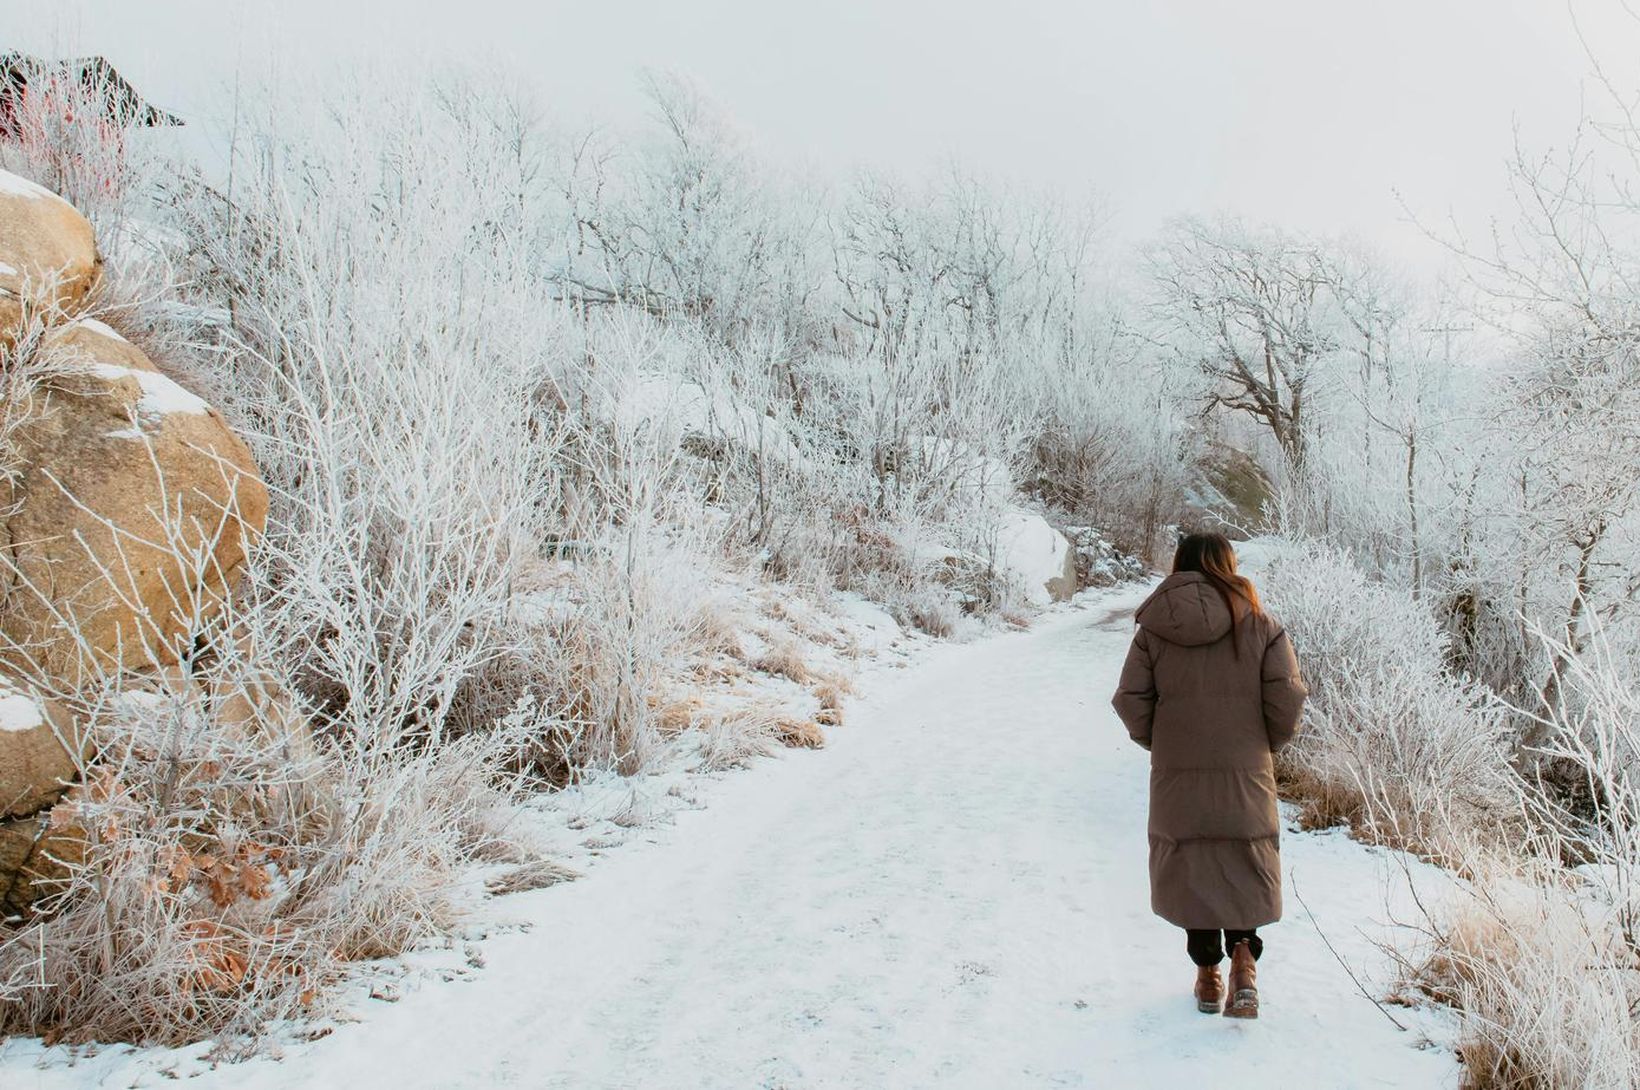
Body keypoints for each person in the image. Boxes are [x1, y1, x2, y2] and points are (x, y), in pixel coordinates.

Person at [1111, 532, 1307, 1019]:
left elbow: (1130, 700)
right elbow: (1288, 700)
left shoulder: (1155, 630)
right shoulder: (1261, 625)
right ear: (1229, 564)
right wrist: (1264, 747)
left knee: (1193, 866)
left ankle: (1206, 977)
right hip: (1246, 771)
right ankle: (1244, 965)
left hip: (1178, 774)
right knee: (1243, 858)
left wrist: (1164, 743)